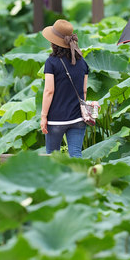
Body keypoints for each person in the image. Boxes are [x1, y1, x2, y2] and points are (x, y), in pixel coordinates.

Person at [39, 19, 90, 157]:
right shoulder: (82, 62)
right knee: (76, 154)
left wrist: (43, 116)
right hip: (78, 119)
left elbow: (49, 91)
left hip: (56, 119)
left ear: (53, 41)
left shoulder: (51, 62)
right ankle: (80, 178)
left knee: (52, 157)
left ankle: (55, 180)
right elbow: (84, 91)